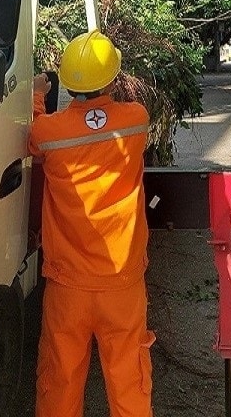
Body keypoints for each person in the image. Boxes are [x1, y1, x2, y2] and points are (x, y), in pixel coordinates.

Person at [29, 31, 154, 417]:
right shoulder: (136, 121)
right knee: (129, 383)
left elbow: (32, 134)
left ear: (66, 82)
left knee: (60, 384)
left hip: (68, 287)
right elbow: (111, 122)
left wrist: (37, 93)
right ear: (114, 80)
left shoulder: (48, 132)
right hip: (123, 285)